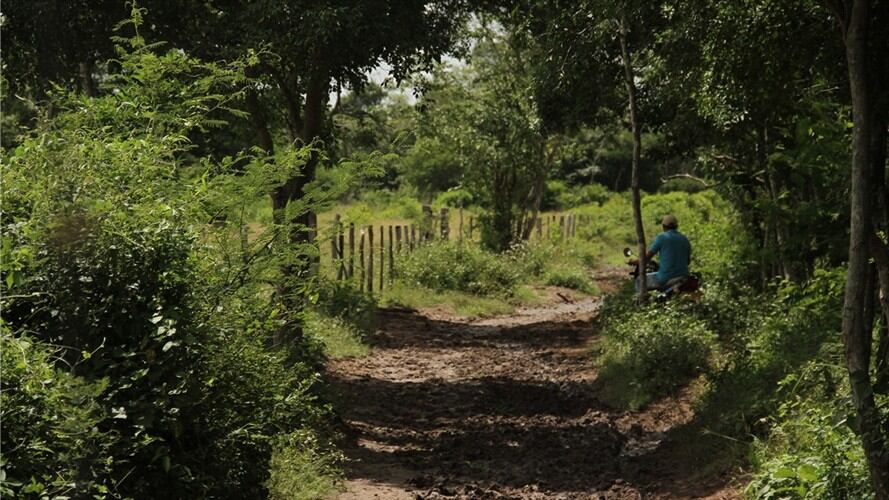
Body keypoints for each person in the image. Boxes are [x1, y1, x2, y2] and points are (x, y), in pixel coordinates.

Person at [630, 214, 691, 292]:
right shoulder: (685, 239)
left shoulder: (662, 238)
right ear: (676, 226)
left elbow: (647, 258)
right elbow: (688, 262)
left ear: (663, 226)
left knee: (639, 280)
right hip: (684, 276)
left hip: (665, 278)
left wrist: (635, 262)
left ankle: (642, 302)